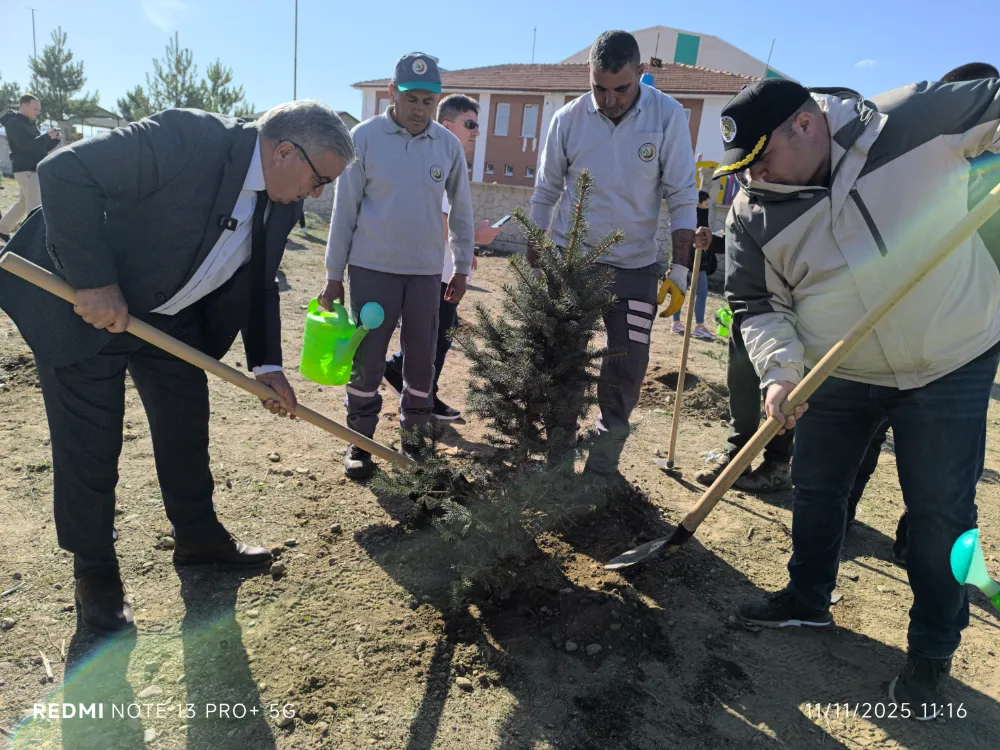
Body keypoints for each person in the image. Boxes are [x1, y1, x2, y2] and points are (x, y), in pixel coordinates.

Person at [0, 100, 354, 635]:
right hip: (87, 308)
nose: (318, 193)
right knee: (91, 445)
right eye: (319, 179)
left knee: (186, 424)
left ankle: (198, 537)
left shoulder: (283, 196)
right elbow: (63, 171)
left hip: (168, 319)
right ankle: (95, 573)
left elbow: (260, 279)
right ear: (285, 150)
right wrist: (94, 280)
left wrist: (266, 364)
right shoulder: (188, 138)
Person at [718, 77, 1000, 713]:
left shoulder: (913, 121)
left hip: (950, 357)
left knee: (939, 518)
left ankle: (932, 652)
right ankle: (807, 598)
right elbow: (756, 304)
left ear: (805, 125)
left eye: (761, 157)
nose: (753, 176)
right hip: (836, 369)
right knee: (817, 491)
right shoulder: (753, 211)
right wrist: (781, 372)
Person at [845, 62, 1000, 569]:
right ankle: (840, 517)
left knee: (952, 472)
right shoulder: (922, 157)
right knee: (861, 434)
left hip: (967, 340)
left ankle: (924, 548)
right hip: (889, 320)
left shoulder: (990, 167)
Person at [530, 30, 696, 480]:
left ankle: (603, 467)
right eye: (598, 87)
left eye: (620, 88)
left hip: (637, 268)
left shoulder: (668, 117)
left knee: (627, 366)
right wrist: (537, 248)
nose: (609, 98)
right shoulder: (567, 119)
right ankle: (559, 455)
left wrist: (679, 269)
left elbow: (682, 193)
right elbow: (545, 191)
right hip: (572, 264)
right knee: (562, 360)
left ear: (641, 74)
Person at [320, 52, 475, 480]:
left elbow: (462, 211)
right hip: (372, 270)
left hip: (426, 273)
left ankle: (416, 446)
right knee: (368, 360)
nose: (420, 110)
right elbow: (344, 211)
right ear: (392, 94)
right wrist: (334, 275)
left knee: (422, 361)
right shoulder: (364, 139)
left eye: (428, 101)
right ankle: (360, 444)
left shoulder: (446, 145)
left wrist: (461, 266)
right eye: (412, 100)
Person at [383, 94, 502, 421]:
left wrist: (467, 252)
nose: (476, 131)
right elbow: (437, 220)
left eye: (478, 125)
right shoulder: (439, 161)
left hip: (444, 269)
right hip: (431, 272)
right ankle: (416, 392)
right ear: (447, 125)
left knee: (438, 339)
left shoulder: (450, 161)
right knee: (434, 340)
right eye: (470, 124)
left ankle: (416, 388)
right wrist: (475, 236)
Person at [0, 93, 60, 241]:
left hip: (32, 169)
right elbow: (24, 146)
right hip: (26, 170)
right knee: (34, 208)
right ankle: (30, 242)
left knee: (23, 204)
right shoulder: (14, 123)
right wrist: (46, 136)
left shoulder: (28, 123)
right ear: (24, 106)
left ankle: (3, 229)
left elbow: (39, 148)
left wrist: (53, 141)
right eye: (35, 109)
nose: (38, 112)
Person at [672, 191, 719, 340]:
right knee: (701, 293)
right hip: (696, 261)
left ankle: (676, 322)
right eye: (706, 204)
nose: (707, 207)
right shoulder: (699, 215)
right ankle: (699, 326)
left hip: (684, 260)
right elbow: (700, 236)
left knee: (680, 290)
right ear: (699, 203)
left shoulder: (685, 214)